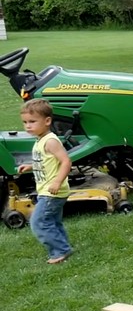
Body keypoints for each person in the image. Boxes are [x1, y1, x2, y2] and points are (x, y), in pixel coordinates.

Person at [16, 99, 73, 264]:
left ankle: (60, 251)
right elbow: (46, 162)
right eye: (25, 122)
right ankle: (63, 247)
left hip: (52, 191)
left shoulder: (50, 141)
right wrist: (30, 166)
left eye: (32, 122)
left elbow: (66, 161)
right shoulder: (40, 140)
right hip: (47, 191)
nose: (28, 126)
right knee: (53, 221)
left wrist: (57, 181)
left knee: (38, 222)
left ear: (47, 121)